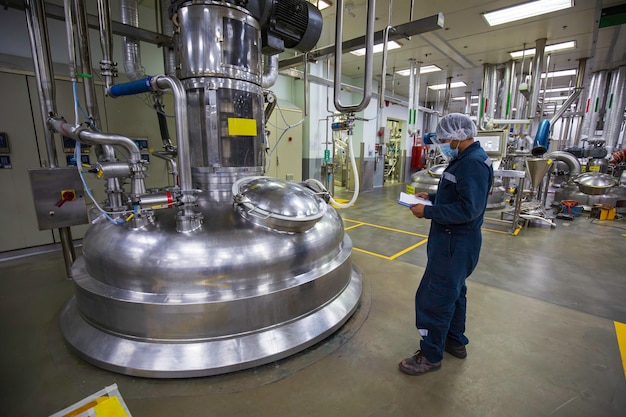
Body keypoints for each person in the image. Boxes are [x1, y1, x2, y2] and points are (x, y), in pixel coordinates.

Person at [399, 113, 494, 376]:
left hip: (455, 242)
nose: (441, 142)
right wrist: (430, 196)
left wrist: (427, 212)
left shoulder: (472, 163)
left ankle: (430, 355)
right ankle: (455, 341)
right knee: (454, 293)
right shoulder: (467, 159)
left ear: (456, 136)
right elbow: (459, 194)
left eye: (443, 138)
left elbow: (468, 209)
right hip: (456, 242)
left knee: (435, 298)